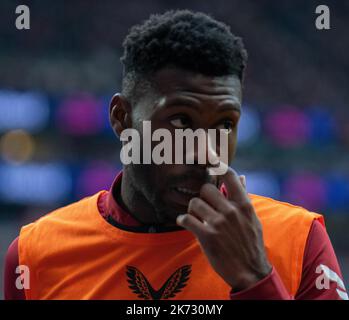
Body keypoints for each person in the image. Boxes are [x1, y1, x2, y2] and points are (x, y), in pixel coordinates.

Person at [4, 10, 347, 300]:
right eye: (182, 121)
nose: (207, 154)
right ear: (121, 118)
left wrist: (257, 279)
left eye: (225, 124)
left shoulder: (298, 240)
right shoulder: (35, 255)